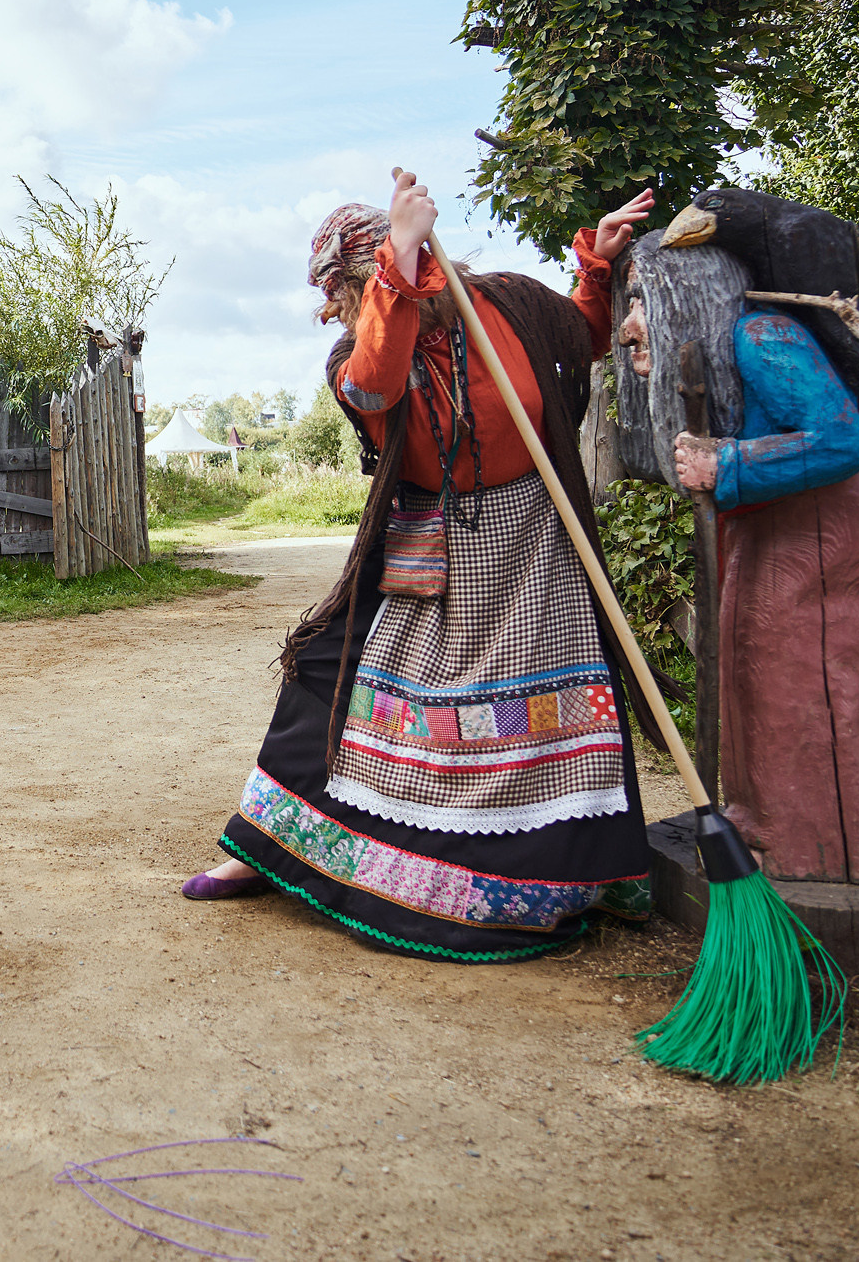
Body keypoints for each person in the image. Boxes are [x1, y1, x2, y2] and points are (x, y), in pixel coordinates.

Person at [185, 170, 661, 963]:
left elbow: (580, 336)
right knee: (324, 666)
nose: (334, 309)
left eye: (340, 290)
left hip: (533, 544)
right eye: (347, 292)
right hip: (427, 543)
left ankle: (570, 873)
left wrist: (598, 266)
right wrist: (396, 269)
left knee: (569, 696)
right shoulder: (356, 351)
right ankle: (267, 844)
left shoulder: (506, 302)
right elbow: (375, 386)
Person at [654, 283, 859, 883]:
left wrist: (725, 463)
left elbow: (839, 442)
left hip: (842, 516)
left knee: (800, 668)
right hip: (791, 513)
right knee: (754, 659)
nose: (630, 328)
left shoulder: (763, 335)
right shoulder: (734, 345)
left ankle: (821, 843)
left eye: (643, 303)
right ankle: (767, 822)